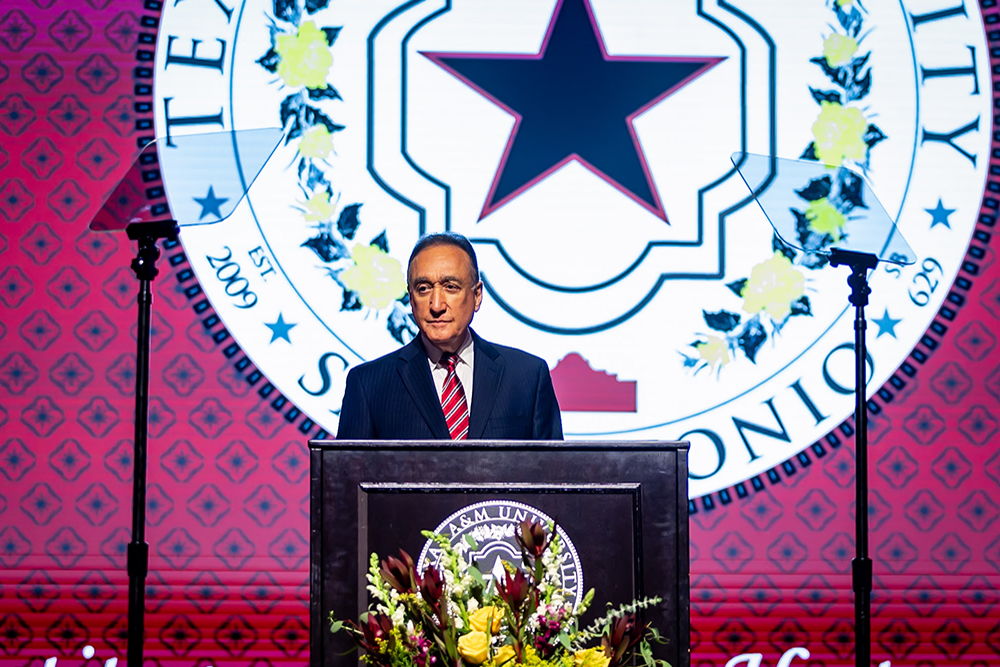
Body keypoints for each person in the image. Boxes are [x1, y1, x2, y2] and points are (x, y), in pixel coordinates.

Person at [336, 232, 563, 440]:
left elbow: (552, 478)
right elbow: (347, 481)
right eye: (423, 289)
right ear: (411, 299)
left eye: (451, 287)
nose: (436, 305)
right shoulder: (369, 385)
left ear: (477, 295)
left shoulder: (527, 378)